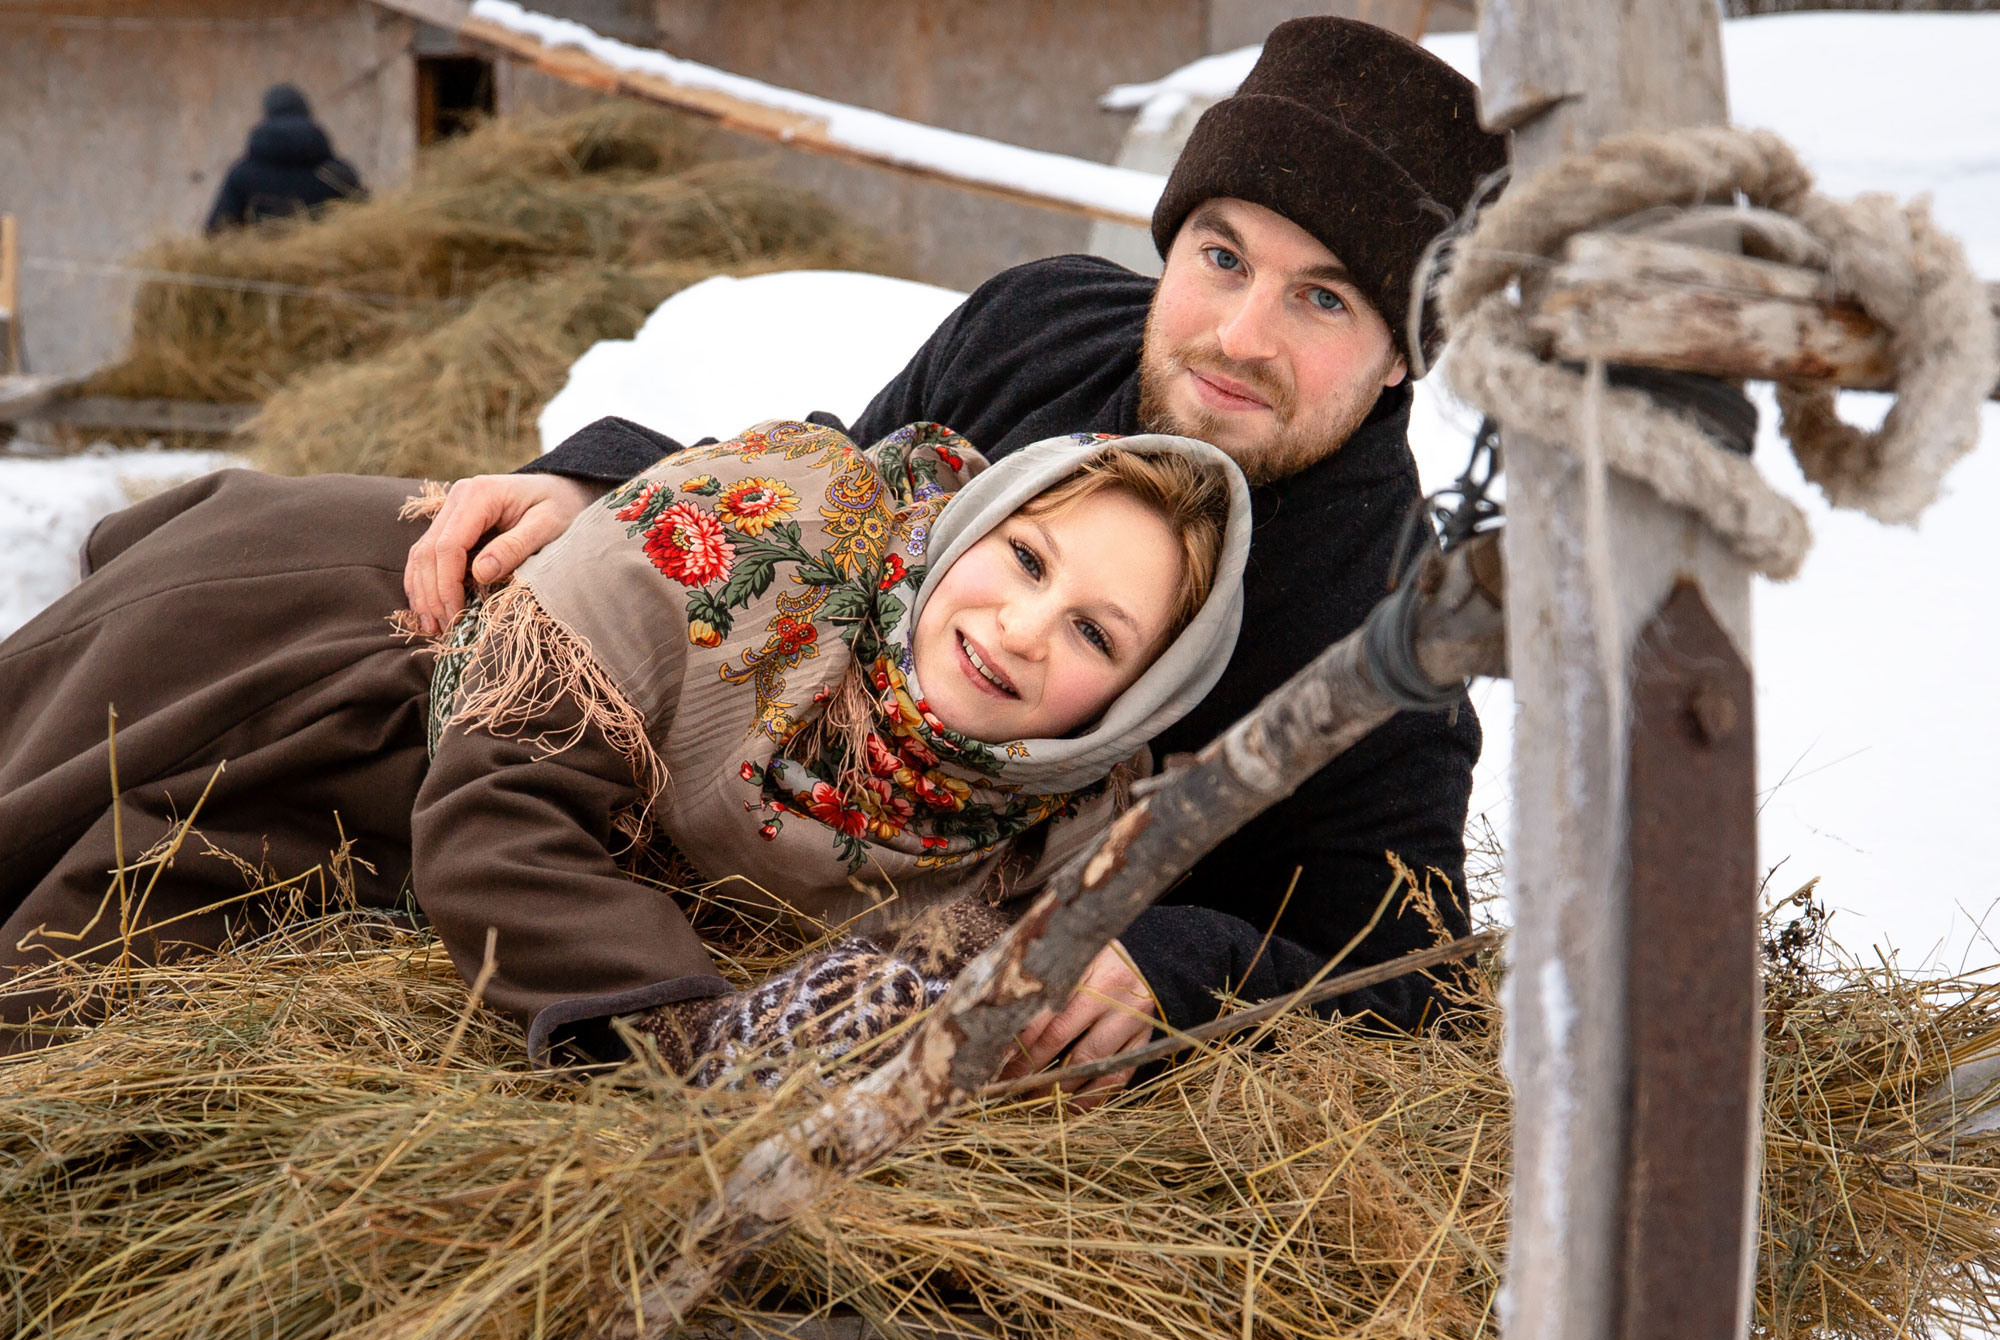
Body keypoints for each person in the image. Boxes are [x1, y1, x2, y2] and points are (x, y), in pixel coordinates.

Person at [399, 18, 1510, 1089]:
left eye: (1321, 298)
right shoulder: (1039, 325)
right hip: (678, 799)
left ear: (1401, 358)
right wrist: (601, 487)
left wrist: (1179, 969)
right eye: (1222, 257)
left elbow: (1405, 977)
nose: (1240, 336)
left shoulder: (1386, 631)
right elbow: (837, 505)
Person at [0, 420, 1250, 1078]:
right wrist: (696, 1037)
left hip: (400, 832)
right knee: (60, 962)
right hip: (341, 665)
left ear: (1133, 700)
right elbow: (501, 813)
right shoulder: (788, 533)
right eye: (1024, 559)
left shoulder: (1043, 827)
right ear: (975, 525)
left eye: (1093, 630)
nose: (1021, 628)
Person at [205, 84, 366, 235]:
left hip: (262, 263)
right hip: (330, 263)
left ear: (267, 115)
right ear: (307, 114)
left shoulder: (242, 174)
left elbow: (217, 233)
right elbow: (366, 228)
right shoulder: (337, 174)